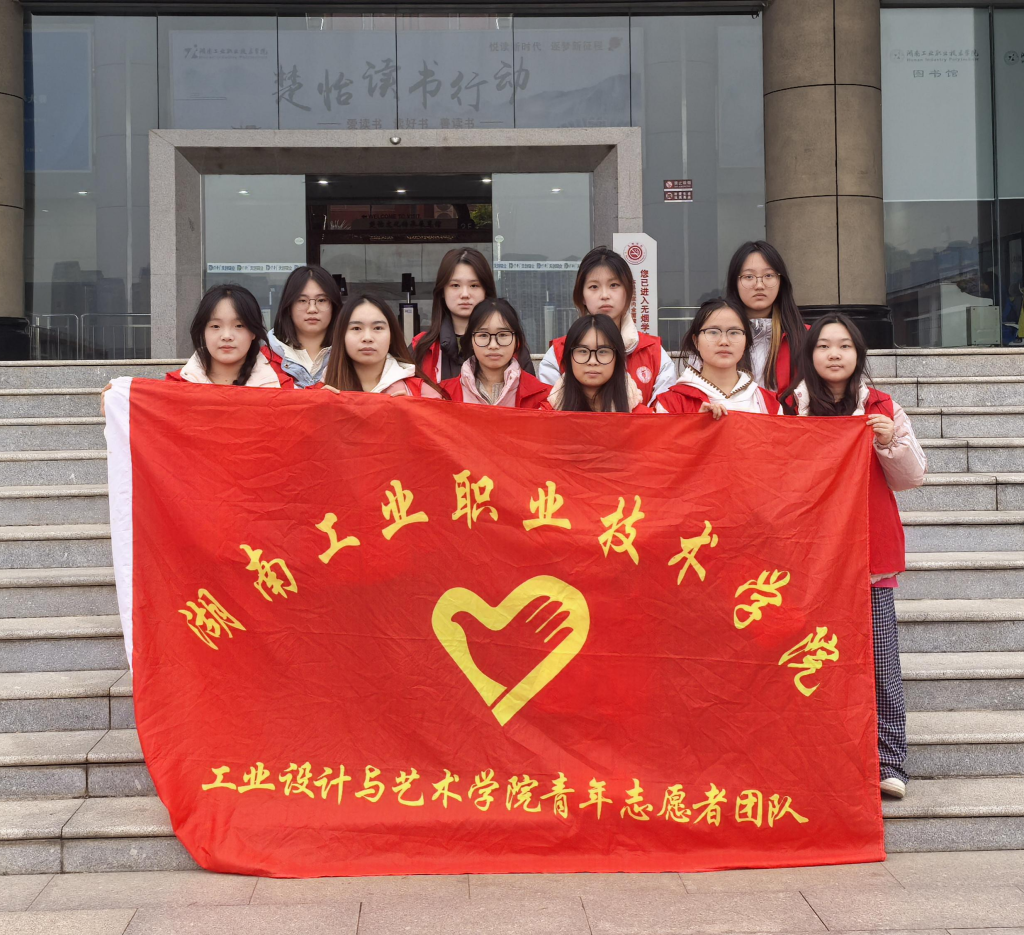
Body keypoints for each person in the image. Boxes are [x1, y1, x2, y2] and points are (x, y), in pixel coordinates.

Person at [780, 313, 927, 800]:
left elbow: (913, 476)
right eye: (824, 345)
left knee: (881, 665)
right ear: (810, 355)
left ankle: (890, 762)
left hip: (868, 556)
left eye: (844, 345)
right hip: (811, 559)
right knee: (811, 662)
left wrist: (889, 442)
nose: (834, 354)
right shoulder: (790, 407)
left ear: (858, 354)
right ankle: (820, 759)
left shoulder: (883, 406)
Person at [538, 246, 675, 406]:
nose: (604, 295)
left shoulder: (654, 353)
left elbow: (665, 416)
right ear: (582, 296)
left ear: (628, 292)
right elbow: (547, 413)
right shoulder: (558, 354)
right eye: (594, 287)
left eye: (614, 285)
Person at [412, 248, 534, 382]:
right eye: (455, 285)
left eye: (474, 285)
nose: (465, 294)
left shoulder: (511, 346)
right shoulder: (422, 348)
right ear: (442, 291)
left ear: (486, 291)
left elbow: (530, 393)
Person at [655, 298, 780, 417]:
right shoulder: (671, 404)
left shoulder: (770, 405)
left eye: (734, 332)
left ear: (746, 341)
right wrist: (695, 425)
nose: (724, 341)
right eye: (713, 332)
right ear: (696, 341)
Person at [715, 240, 807, 393]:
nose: (759, 285)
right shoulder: (714, 337)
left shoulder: (807, 338)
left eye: (768, 275)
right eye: (749, 276)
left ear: (781, 281)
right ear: (735, 282)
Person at [323, 293, 446, 397]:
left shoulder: (422, 394)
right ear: (342, 336)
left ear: (391, 335)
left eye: (378, 328)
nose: (367, 338)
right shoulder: (323, 392)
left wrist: (411, 412)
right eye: (356, 328)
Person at [441, 298, 550, 409]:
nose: (493, 345)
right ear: (471, 341)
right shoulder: (442, 396)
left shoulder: (545, 398)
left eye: (503, 335)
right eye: (483, 335)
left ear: (517, 341)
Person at [540, 314, 651, 413]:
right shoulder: (544, 417)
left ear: (617, 358)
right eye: (583, 351)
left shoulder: (644, 420)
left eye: (602, 351)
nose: (592, 361)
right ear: (569, 358)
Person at [265, 265, 343, 387]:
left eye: (321, 300)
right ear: (288, 307)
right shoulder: (264, 359)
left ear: (334, 306)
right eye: (302, 300)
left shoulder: (352, 355)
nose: (312, 309)